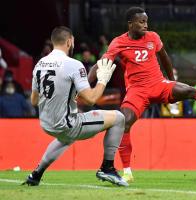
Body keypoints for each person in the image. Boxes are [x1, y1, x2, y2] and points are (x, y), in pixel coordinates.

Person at [88, 7, 196, 182]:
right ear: (130, 24)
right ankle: (127, 171)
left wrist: (171, 81)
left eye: (146, 22)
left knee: (189, 90)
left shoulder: (153, 37)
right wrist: (85, 86)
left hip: (158, 84)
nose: (145, 25)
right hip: (137, 91)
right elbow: (100, 64)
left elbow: (164, 58)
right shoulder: (118, 42)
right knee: (124, 122)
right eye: (141, 22)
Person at [22, 26, 128, 187]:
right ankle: (107, 167)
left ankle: (36, 174)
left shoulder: (40, 64)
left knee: (66, 139)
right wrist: (103, 80)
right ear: (69, 41)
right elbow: (91, 99)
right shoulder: (73, 64)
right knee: (119, 118)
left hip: (46, 124)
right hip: (67, 124)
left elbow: (34, 101)